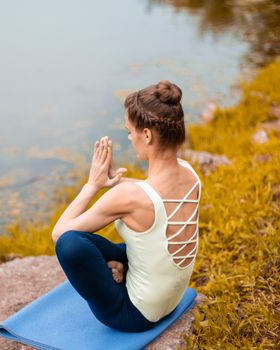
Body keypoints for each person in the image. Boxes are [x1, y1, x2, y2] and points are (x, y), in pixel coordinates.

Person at [51, 80, 202, 332]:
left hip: (135, 316)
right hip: (171, 298)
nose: (130, 138)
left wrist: (92, 185)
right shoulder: (189, 173)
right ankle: (121, 266)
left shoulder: (129, 197)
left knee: (72, 246)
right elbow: (153, 191)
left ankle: (119, 270)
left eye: (130, 131)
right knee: (130, 243)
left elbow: (60, 234)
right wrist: (114, 183)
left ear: (146, 135)